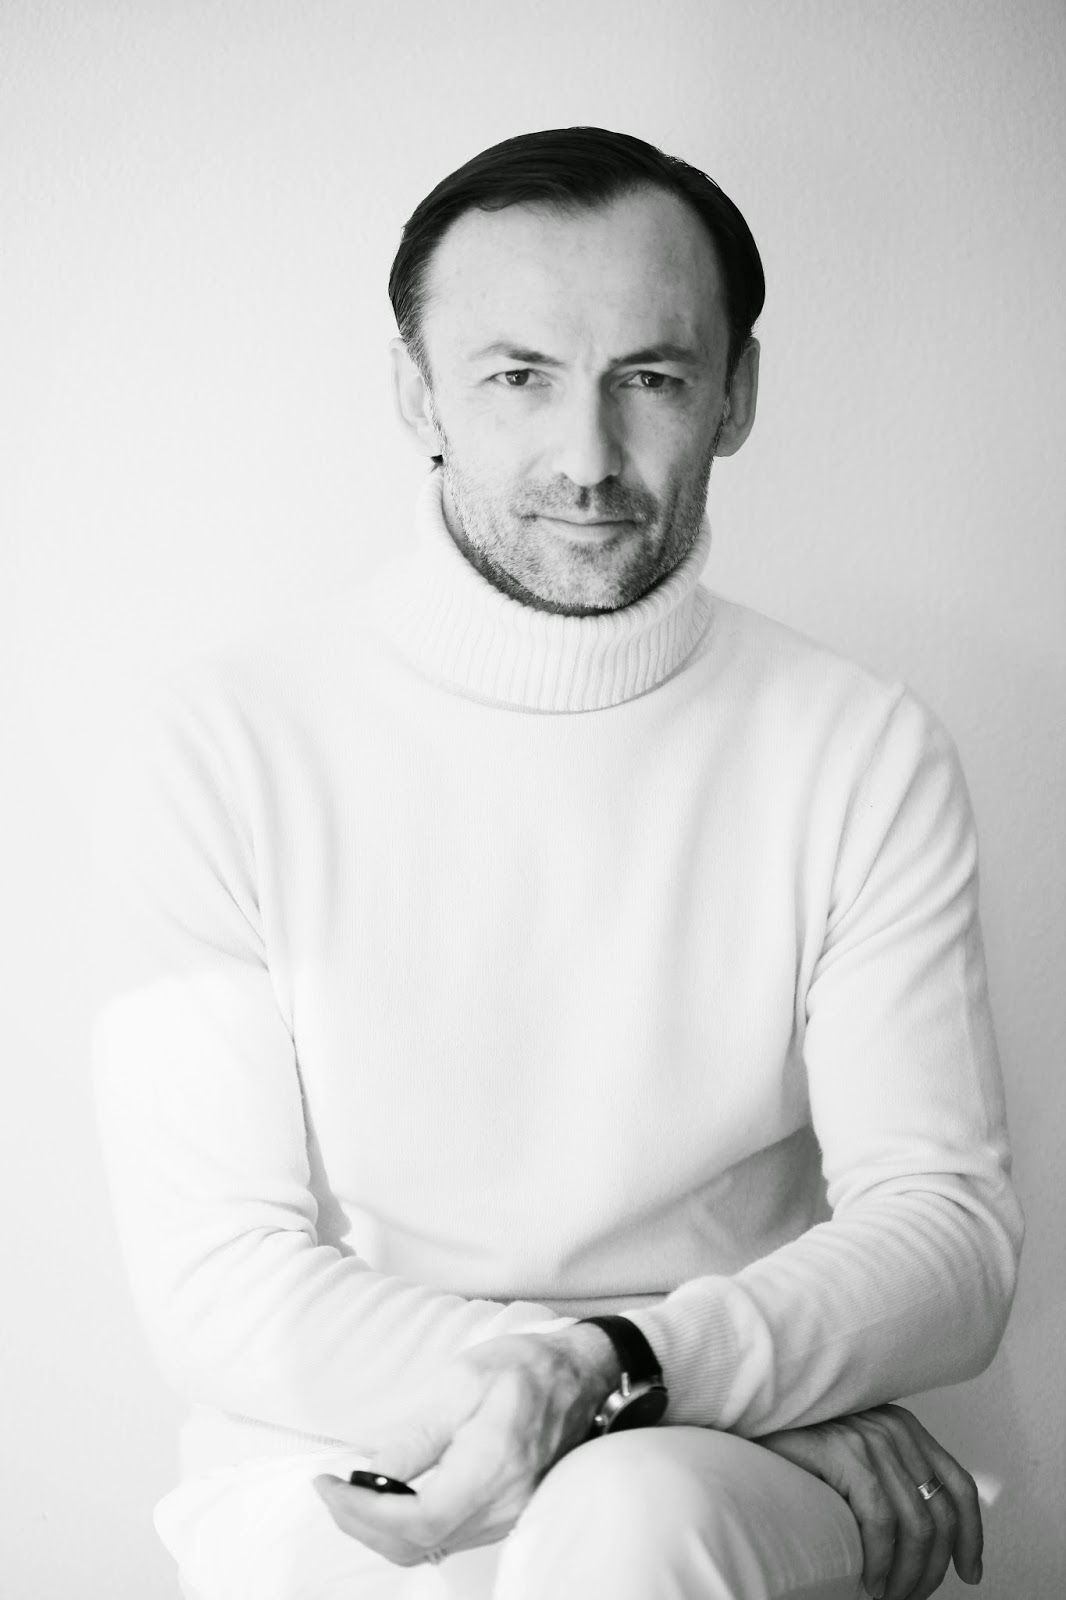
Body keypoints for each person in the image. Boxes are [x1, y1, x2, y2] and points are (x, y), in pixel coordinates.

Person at [90, 126, 1024, 1600]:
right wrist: (632, 1383)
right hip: (363, 1443)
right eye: (517, 377)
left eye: (648, 379)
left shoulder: (858, 746)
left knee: (632, 1523)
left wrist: (638, 1376)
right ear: (418, 393)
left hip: (710, 1464)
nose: (586, 461)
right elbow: (220, 1283)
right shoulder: (226, 742)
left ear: (736, 394)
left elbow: (949, 1236)